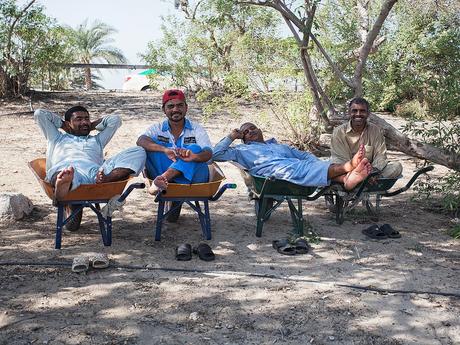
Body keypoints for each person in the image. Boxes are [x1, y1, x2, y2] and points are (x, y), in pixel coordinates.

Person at [213, 122, 372, 191]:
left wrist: (318, 164)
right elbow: (216, 154)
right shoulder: (241, 150)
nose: (250, 131)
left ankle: (345, 179)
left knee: (314, 164)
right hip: (275, 174)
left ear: (260, 130)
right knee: (303, 167)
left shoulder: (278, 146)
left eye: (253, 128)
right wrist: (231, 137)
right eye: (245, 132)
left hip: (295, 167)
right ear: (244, 139)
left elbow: (303, 155)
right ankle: (348, 167)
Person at [34, 106, 146, 200]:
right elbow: (40, 114)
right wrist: (64, 126)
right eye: (79, 119)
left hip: (96, 174)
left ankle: (106, 179)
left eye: (87, 119)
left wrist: (89, 126)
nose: (84, 122)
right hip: (66, 169)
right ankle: (62, 184)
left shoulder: (97, 140)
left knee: (139, 151)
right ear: (69, 123)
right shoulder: (56, 137)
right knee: (64, 173)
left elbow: (115, 120)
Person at [137, 89, 212, 191]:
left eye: (180, 105)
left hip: (193, 178)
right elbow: (141, 140)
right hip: (161, 170)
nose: (176, 109)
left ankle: (164, 178)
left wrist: (194, 157)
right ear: (164, 109)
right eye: (170, 106)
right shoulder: (157, 128)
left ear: (186, 108)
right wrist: (164, 149)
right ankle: (164, 179)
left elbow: (208, 153)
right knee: (147, 148)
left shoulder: (196, 129)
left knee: (195, 148)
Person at [331, 97, 402, 179]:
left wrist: (372, 172)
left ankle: (367, 181)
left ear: (368, 113)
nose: (358, 114)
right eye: (354, 111)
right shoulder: (339, 132)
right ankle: (360, 182)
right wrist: (357, 173)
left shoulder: (375, 130)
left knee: (397, 166)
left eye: (362, 111)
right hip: (348, 173)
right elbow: (340, 160)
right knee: (331, 169)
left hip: (370, 172)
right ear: (349, 113)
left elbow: (380, 155)